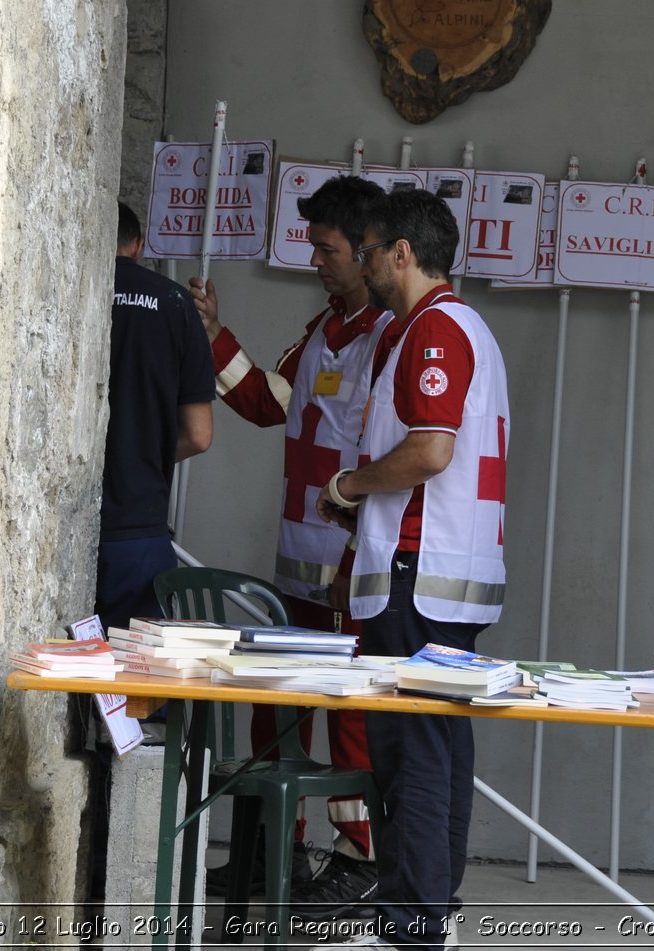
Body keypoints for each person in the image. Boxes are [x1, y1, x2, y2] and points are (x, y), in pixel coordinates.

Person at [312, 188, 509, 951]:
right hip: (436, 565)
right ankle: (428, 913)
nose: (361, 264)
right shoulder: (456, 328)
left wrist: (350, 487)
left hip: (420, 570)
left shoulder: (433, 330)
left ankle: (412, 927)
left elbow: (431, 450)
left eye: (366, 251)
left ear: (401, 252)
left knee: (412, 750)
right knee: (437, 744)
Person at [188, 176, 390, 917]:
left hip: (345, 570)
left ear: (369, 251)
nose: (316, 260)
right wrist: (215, 335)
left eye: (327, 248)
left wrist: (351, 559)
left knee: (350, 718)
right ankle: (273, 847)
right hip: (295, 570)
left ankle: (359, 859)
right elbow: (276, 401)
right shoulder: (324, 328)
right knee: (275, 706)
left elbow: (386, 456)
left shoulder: (385, 339)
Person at [96, 202, 215, 631]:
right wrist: (142, 458)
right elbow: (199, 436)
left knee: (57, 673)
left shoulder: (68, 287)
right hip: (137, 528)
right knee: (135, 682)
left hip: (55, 518)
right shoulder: (174, 302)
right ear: (138, 245)